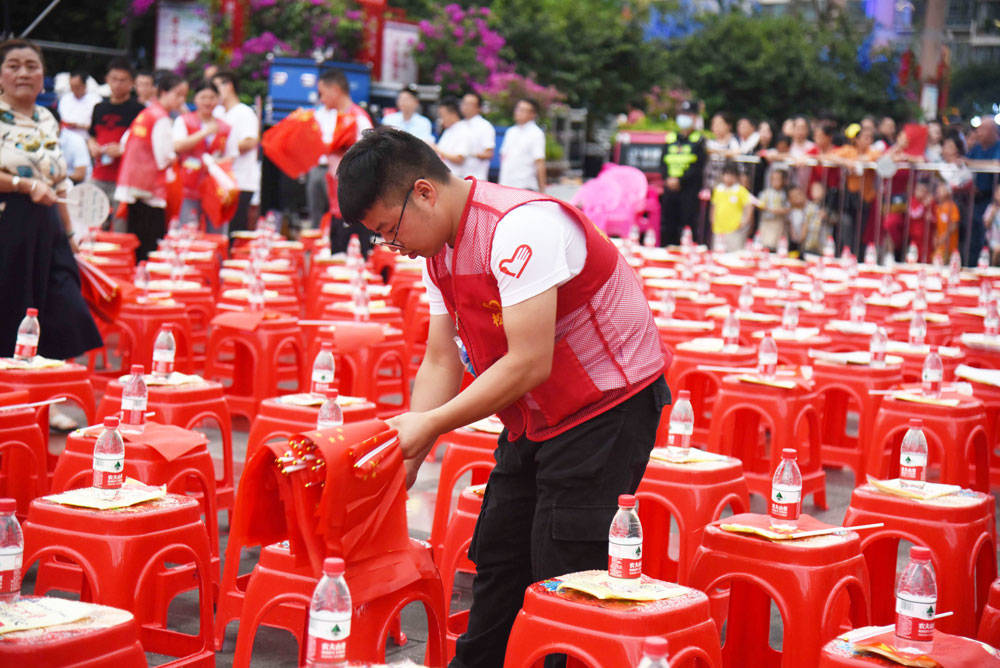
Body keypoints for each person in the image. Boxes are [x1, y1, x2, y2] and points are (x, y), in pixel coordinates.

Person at [335, 126, 668, 668]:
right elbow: (442, 359)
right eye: (381, 238)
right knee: (498, 555)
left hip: (606, 408)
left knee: (564, 573)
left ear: (424, 192)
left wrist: (432, 425)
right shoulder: (438, 248)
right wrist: (408, 453)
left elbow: (528, 361)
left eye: (390, 231)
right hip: (534, 415)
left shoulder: (520, 227)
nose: (394, 248)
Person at [0, 39, 102, 424]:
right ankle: (13, 402)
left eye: (31, 65)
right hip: (9, 225)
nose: (23, 73)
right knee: (10, 311)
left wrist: (72, 236)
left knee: (61, 308)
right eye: (13, 65)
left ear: (43, 75)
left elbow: (59, 183)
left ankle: (50, 400)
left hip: (50, 229)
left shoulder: (48, 119)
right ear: (1, 75)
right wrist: (24, 185)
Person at [115, 71, 188, 261]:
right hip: (150, 190)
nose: (181, 100)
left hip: (133, 185)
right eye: (178, 94)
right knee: (150, 246)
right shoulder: (161, 118)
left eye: (184, 96)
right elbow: (163, 157)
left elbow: (125, 142)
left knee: (136, 241)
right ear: (163, 92)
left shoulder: (146, 113)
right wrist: (174, 156)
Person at [311, 67, 373, 254]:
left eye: (322, 93)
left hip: (355, 209)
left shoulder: (359, 119)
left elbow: (371, 163)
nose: (321, 99)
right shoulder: (334, 117)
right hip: (337, 204)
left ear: (335, 90)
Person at [88, 58, 144, 232]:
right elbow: (91, 135)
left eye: (123, 80)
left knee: (120, 228)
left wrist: (123, 150)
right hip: (99, 175)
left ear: (131, 83)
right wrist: (92, 146)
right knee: (94, 224)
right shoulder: (99, 107)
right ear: (107, 80)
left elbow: (143, 144)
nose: (118, 84)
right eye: (114, 79)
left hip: (124, 179)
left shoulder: (139, 110)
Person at [173, 80, 233, 234]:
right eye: (203, 97)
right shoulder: (184, 121)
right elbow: (178, 146)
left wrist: (216, 164)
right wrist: (205, 132)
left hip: (216, 189)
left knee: (216, 232)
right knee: (187, 230)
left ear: (218, 100)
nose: (208, 102)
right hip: (189, 186)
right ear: (195, 100)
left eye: (212, 97)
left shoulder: (225, 127)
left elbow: (231, 156)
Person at [211, 69, 259, 238]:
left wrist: (224, 148)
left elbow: (251, 141)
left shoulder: (244, 112)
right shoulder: (217, 113)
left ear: (228, 86)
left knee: (235, 233)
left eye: (216, 88)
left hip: (240, 182)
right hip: (219, 182)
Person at [659, 100, 706, 245]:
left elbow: (698, 166)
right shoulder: (671, 138)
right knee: (668, 225)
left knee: (687, 226)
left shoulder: (699, 140)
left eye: (689, 114)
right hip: (670, 189)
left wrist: (680, 181)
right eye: (683, 114)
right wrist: (669, 179)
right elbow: (663, 162)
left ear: (695, 118)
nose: (685, 118)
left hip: (688, 190)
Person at [966, 118, 1000, 264]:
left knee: (987, 236)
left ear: (992, 131)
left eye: (982, 129)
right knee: (972, 235)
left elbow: (996, 164)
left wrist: (972, 164)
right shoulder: (977, 148)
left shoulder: (998, 146)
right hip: (974, 198)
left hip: (991, 199)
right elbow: (964, 162)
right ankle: (972, 264)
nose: (978, 133)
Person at [498, 98, 546, 192]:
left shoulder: (536, 133)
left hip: (525, 186)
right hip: (506, 184)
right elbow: (503, 156)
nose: (518, 113)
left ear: (533, 114)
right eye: (518, 109)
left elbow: (539, 162)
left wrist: (542, 189)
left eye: (523, 110)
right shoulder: (511, 131)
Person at [710, 161, 754, 251]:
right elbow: (714, 206)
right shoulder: (718, 189)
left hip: (735, 229)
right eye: (726, 175)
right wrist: (712, 220)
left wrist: (745, 221)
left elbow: (749, 206)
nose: (729, 178)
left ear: (736, 177)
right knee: (718, 253)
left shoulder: (741, 190)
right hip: (719, 229)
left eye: (732, 175)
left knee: (734, 255)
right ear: (722, 176)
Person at [459, 92, 495, 181]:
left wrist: (469, 153)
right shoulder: (458, 125)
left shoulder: (485, 126)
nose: (465, 106)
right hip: (458, 177)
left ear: (478, 108)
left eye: (469, 104)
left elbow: (489, 153)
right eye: (464, 103)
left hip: (476, 178)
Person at [57, 70, 101, 143]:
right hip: (65, 137)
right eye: (72, 87)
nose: (74, 90)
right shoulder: (65, 99)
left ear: (84, 85)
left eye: (77, 87)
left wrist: (79, 126)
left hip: (87, 139)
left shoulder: (96, 100)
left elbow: (98, 126)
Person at [435, 97, 470, 175]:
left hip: (457, 178)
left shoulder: (464, 131)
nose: (441, 119)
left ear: (453, 114)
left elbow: (459, 158)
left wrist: (436, 149)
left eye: (442, 115)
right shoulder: (448, 130)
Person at [755, 168, 789, 249]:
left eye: (778, 179)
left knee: (777, 245)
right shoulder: (765, 193)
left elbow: (787, 208)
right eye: (773, 179)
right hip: (767, 222)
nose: (775, 182)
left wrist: (779, 211)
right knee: (765, 245)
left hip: (779, 224)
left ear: (783, 181)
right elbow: (759, 205)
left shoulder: (785, 194)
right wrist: (770, 209)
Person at [933, 180, 960, 260]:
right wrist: (935, 237)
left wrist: (944, 236)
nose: (938, 191)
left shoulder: (952, 207)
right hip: (940, 245)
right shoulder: (937, 208)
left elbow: (954, 225)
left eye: (942, 189)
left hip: (950, 246)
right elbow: (936, 225)